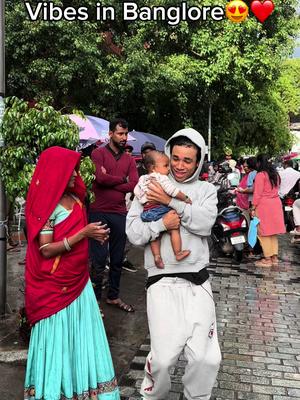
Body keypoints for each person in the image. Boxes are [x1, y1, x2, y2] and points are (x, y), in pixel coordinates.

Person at [126, 129, 221, 400]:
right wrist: (160, 223)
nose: (180, 166)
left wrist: (170, 202)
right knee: (163, 359)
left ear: (199, 161)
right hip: (161, 283)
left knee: (208, 358)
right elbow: (133, 233)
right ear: (168, 155)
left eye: (187, 160)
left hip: (197, 283)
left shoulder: (205, 190)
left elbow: (204, 224)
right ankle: (154, 396)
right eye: (175, 158)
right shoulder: (148, 183)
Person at [24, 146, 119, 400]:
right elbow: (45, 250)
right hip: (54, 287)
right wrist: (83, 234)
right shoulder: (47, 205)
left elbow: (79, 236)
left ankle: (84, 388)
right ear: (56, 172)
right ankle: (55, 390)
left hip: (79, 283)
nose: (75, 174)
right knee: (58, 341)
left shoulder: (76, 200)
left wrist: (95, 236)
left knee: (81, 339)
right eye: (70, 170)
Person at [89, 118, 138, 312]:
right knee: (99, 259)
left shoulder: (129, 159)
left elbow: (133, 184)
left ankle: (113, 296)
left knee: (117, 259)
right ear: (110, 134)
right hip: (99, 210)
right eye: (120, 133)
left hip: (119, 212)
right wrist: (121, 180)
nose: (124, 137)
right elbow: (99, 178)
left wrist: (110, 180)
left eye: (125, 134)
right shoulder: (97, 153)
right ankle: (93, 302)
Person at [134, 150, 192, 269]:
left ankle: (156, 256)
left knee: (154, 236)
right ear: (154, 168)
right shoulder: (161, 177)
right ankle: (178, 253)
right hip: (160, 209)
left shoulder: (143, 178)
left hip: (147, 211)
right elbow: (172, 191)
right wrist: (185, 198)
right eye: (166, 166)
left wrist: (143, 200)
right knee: (174, 228)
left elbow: (136, 191)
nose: (169, 169)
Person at [251, 154, 285, 267]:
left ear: (259, 163)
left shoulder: (261, 175)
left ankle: (267, 259)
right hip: (276, 203)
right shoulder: (275, 174)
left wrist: (253, 207)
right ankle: (274, 257)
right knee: (272, 233)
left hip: (264, 205)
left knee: (263, 232)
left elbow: (257, 194)